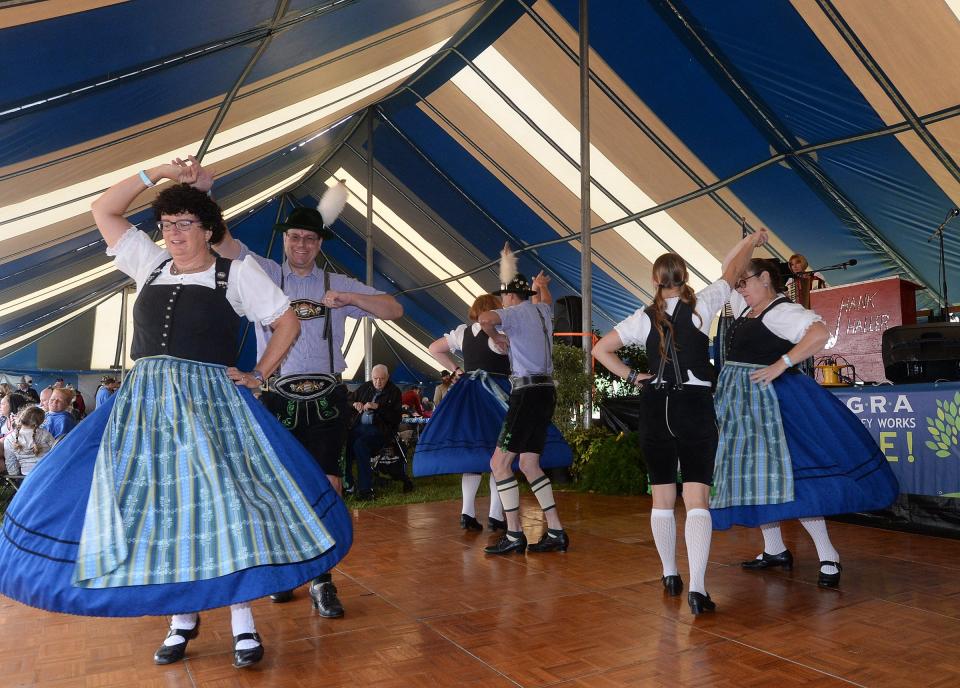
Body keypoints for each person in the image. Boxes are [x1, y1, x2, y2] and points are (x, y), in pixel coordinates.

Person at [0, 156, 352, 670]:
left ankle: (242, 622)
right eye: (166, 225)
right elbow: (104, 209)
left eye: (185, 224)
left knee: (224, 506)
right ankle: (182, 620)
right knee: (164, 511)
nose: (174, 233)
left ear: (208, 229)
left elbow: (287, 323)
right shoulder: (149, 263)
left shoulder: (236, 273)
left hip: (210, 403)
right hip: (145, 408)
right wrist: (157, 174)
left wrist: (258, 375)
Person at [214, 189, 403, 614]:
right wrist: (207, 195)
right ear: (284, 240)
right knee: (280, 487)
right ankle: (288, 569)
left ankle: (322, 578)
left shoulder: (338, 283)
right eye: (295, 237)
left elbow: (394, 308)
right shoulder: (262, 272)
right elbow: (223, 243)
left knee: (328, 485)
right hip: (278, 394)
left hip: (328, 397)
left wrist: (352, 300)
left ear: (320, 244)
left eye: (310, 239)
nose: (301, 245)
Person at [591, 232, 766, 615]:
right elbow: (733, 271)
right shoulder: (703, 302)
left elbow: (599, 349)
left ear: (655, 281)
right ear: (684, 277)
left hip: (655, 405)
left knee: (662, 497)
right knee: (697, 498)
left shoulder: (642, 317)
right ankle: (698, 590)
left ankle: (670, 574)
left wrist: (631, 376)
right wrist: (752, 241)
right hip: (693, 403)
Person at [711, 254, 898, 589]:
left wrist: (782, 363)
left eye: (745, 282)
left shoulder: (782, 311)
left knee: (797, 480)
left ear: (765, 278)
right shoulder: (745, 306)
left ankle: (828, 554)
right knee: (760, 478)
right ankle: (775, 549)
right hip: (747, 405)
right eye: (738, 284)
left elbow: (819, 334)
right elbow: (730, 263)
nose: (739, 288)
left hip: (776, 405)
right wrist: (751, 243)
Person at [420, 293, 572, 532]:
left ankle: (467, 512)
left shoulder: (463, 332)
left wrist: (456, 369)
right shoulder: (500, 332)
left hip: (469, 395)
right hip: (496, 395)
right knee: (499, 454)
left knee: (474, 451)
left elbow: (434, 347)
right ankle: (495, 514)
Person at [479, 251, 568, 555]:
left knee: (499, 463)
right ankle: (556, 530)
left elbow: (484, 318)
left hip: (527, 393)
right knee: (530, 463)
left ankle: (515, 534)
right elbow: (546, 299)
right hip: (546, 392)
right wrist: (541, 284)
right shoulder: (542, 312)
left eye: (503, 298)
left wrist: (496, 335)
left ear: (510, 297)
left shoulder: (515, 313)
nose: (501, 303)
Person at [346, 364, 405, 499]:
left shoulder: (394, 391)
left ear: (388, 377)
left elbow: (396, 418)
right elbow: (349, 399)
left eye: (382, 379)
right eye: (375, 378)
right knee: (345, 442)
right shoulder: (366, 387)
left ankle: (365, 489)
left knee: (360, 445)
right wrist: (355, 404)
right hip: (360, 427)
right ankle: (348, 485)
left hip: (381, 431)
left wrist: (377, 406)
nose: (378, 382)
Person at [4, 406, 54, 476]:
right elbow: (56, 451)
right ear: (40, 421)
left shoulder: (9, 438)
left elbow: (10, 461)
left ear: (21, 417)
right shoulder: (45, 434)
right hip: (48, 473)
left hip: (26, 477)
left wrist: (14, 475)